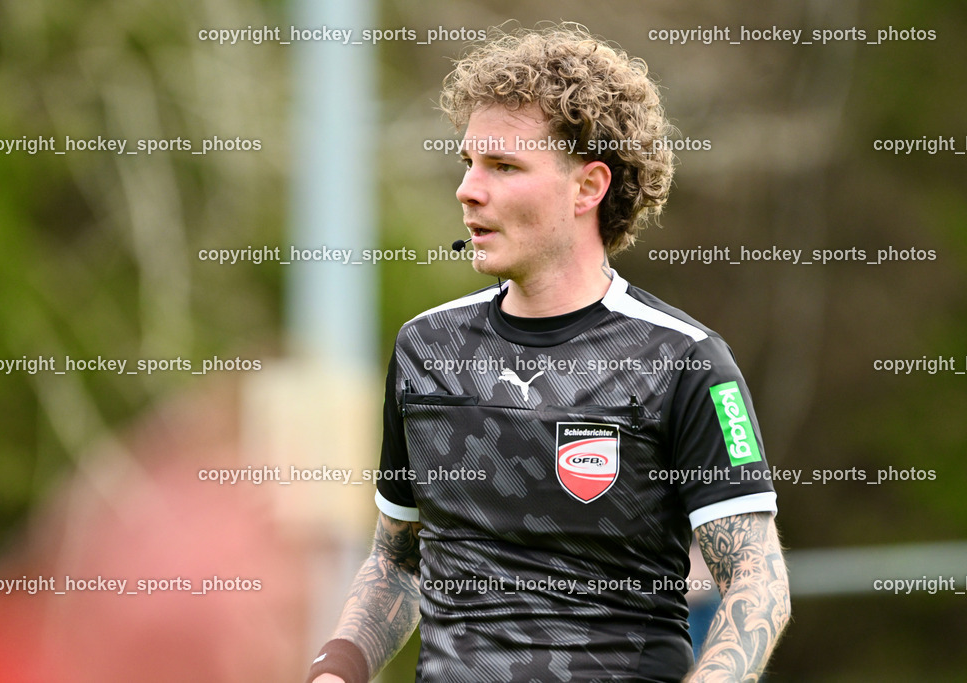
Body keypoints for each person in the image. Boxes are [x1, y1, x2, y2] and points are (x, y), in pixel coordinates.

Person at [308, 23, 790, 683]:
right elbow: (398, 562)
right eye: (468, 162)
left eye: (503, 166)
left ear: (588, 187)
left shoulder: (686, 361)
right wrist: (336, 668)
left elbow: (757, 580)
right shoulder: (425, 348)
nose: (468, 190)